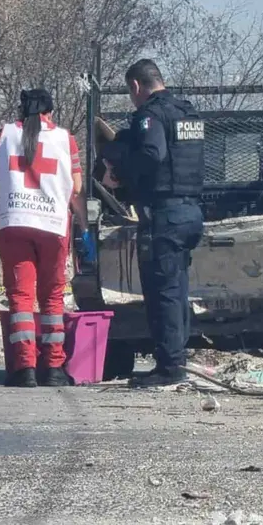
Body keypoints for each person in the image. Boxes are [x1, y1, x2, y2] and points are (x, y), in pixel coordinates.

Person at [0, 88, 96, 388]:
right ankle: (53, 367)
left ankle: (23, 368)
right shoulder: (65, 140)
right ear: (49, 113)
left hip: (13, 223)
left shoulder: (2, 135)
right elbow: (76, 191)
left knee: (20, 298)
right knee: (52, 297)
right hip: (53, 226)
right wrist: (85, 230)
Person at [100, 59, 205, 388]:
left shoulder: (151, 115)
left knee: (164, 292)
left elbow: (152, 154)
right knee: (177, 289)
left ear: (136, 86)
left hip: (165, 214)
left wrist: (120, 170)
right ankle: (175, 359)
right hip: (190, 211)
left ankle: (170, 366)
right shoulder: (188, 113)